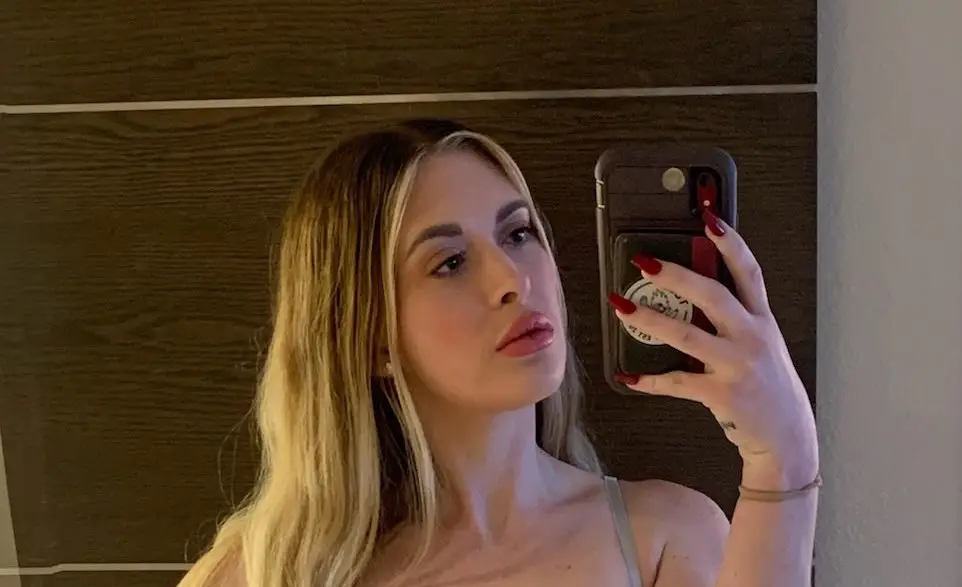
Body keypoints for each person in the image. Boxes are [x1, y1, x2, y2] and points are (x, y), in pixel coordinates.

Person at [177, 118, 819, 587]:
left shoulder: (667, 537)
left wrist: (783, 458)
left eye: (517, 233)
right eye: (450, 262)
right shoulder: (263, 573)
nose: (514, 278)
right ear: (371, 339)